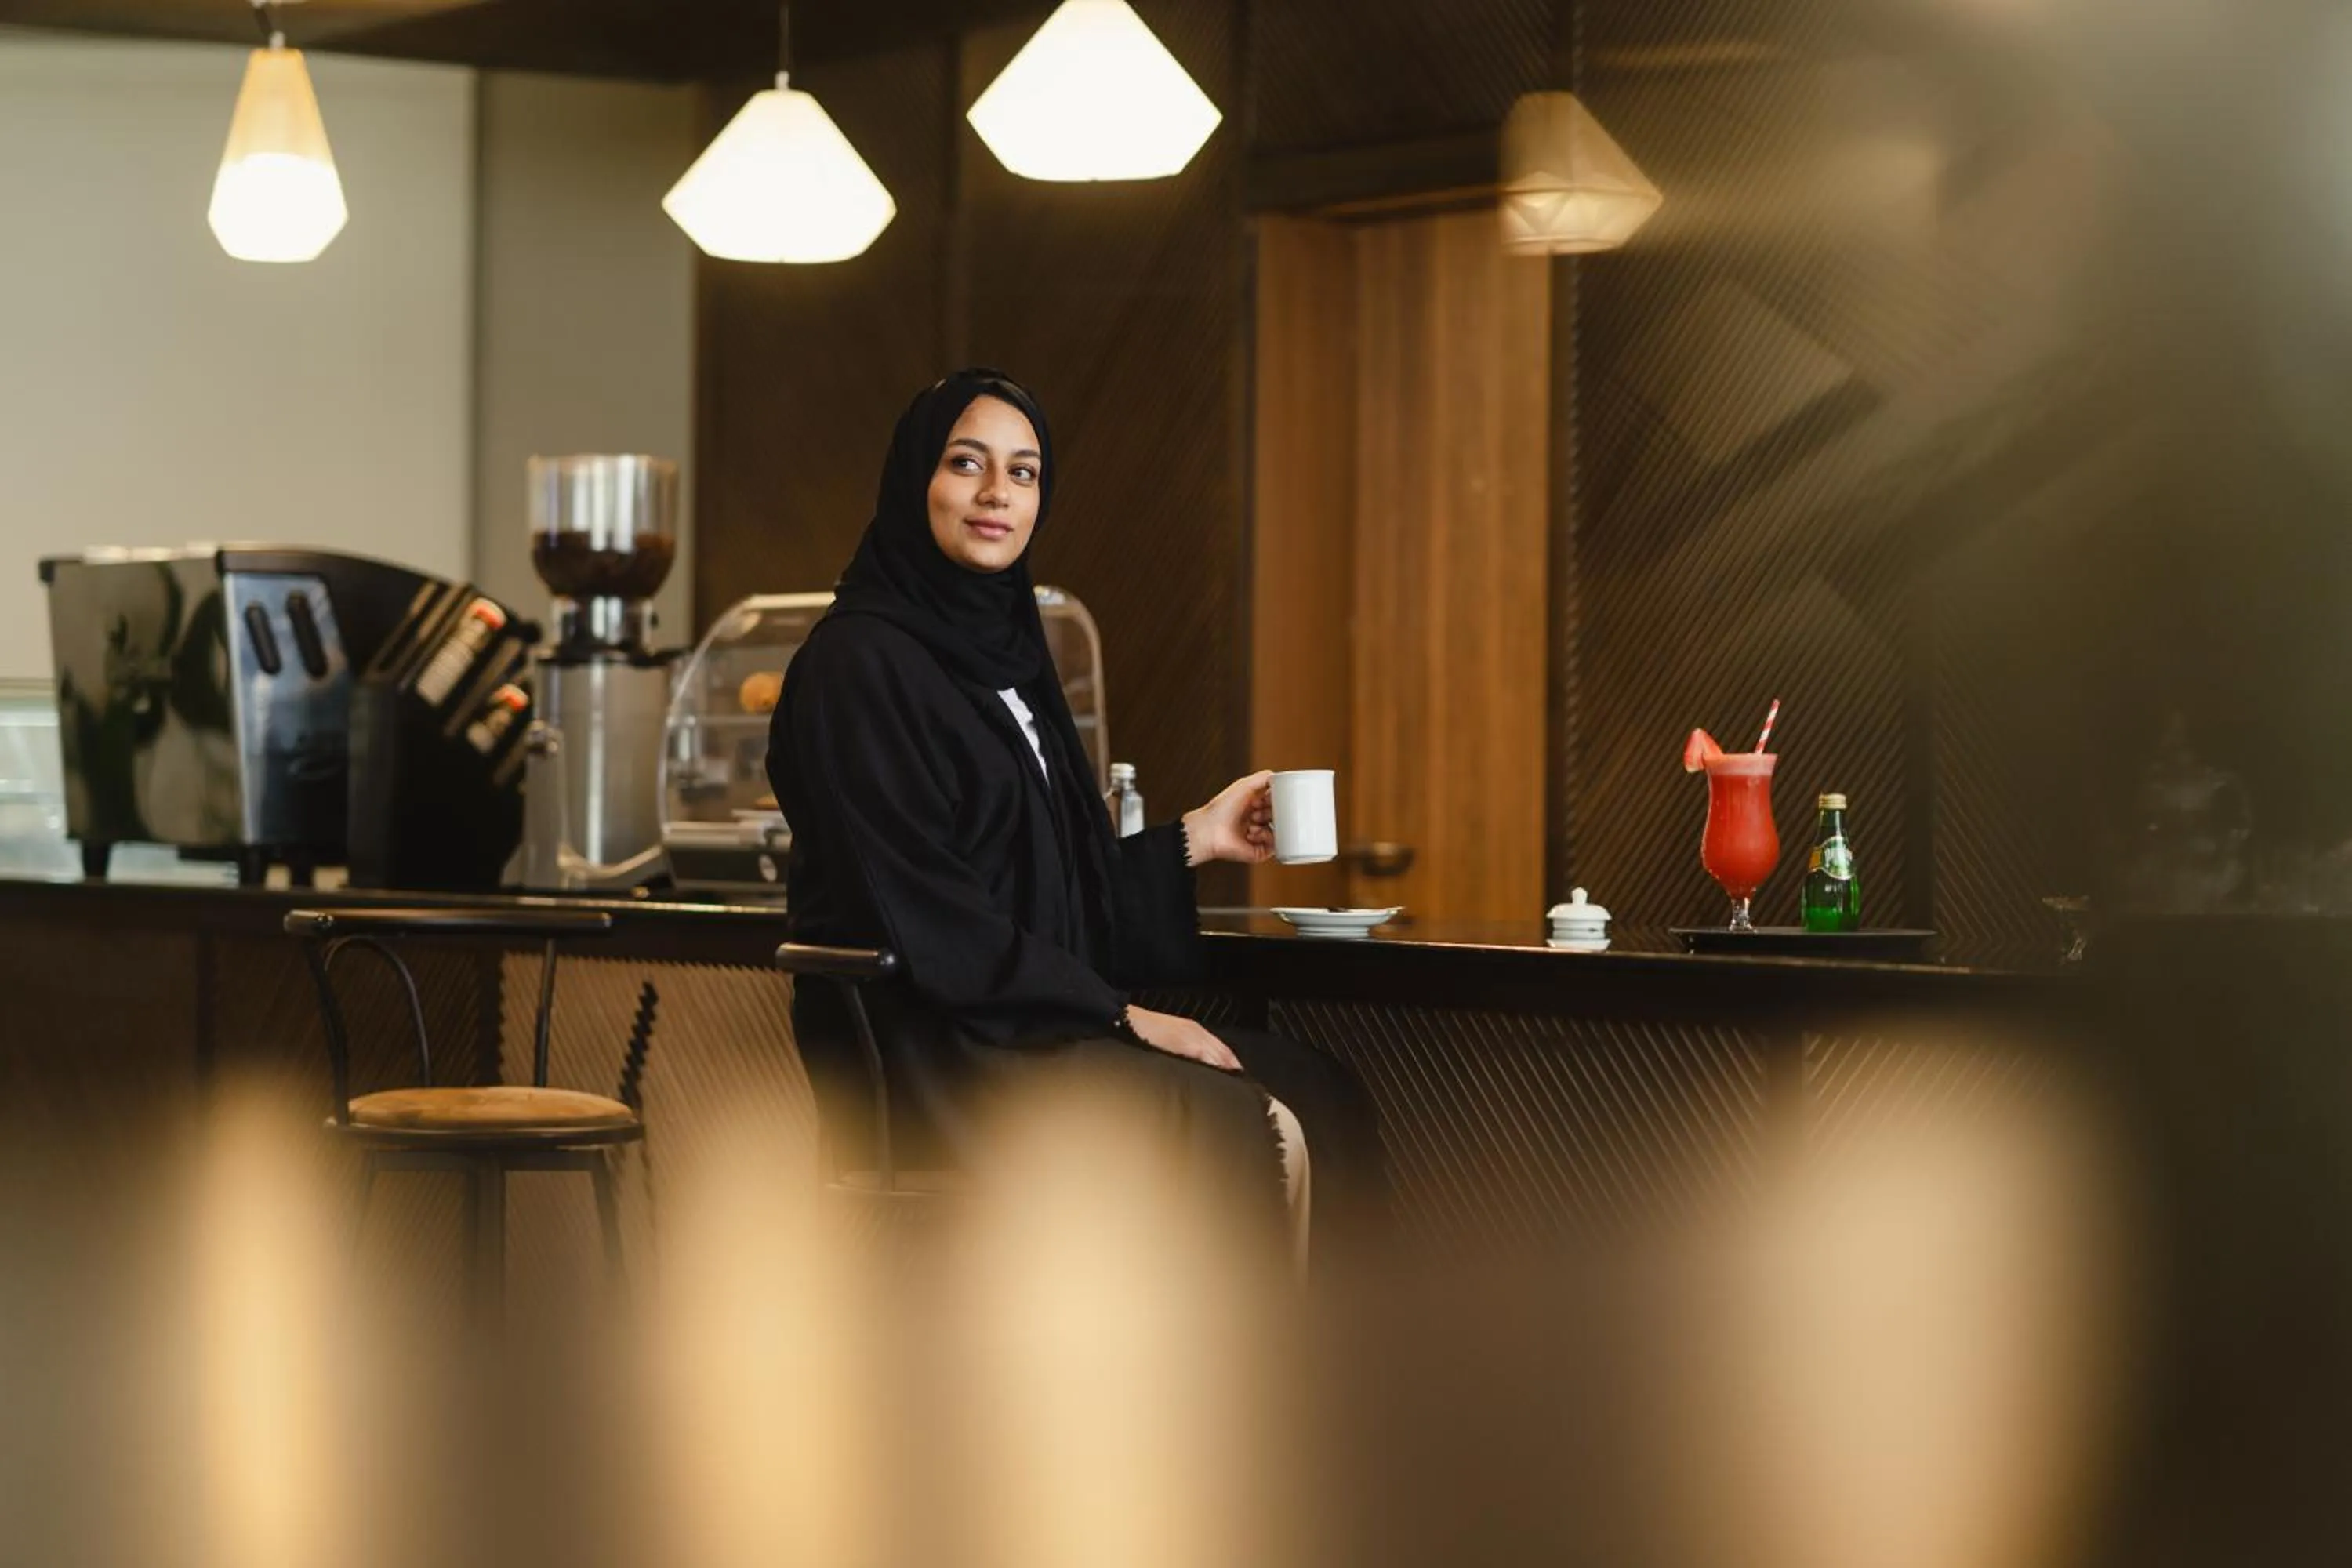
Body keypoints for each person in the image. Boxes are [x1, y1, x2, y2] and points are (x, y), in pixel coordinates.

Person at [767, 367, 1385, 1257]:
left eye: (1024, 473)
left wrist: (1195, 837)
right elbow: (934, 910)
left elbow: (1037, 881)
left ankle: (1342, 1387)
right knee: (1246, 1120)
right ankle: (1227, 1388)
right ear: (915, 481)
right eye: (965, 463)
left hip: (1032, 1024)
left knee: (1321, 1090)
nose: (995, 494)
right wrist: (1121, 1015)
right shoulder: (856, 665)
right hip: (940, 1054)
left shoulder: (1009, 652)